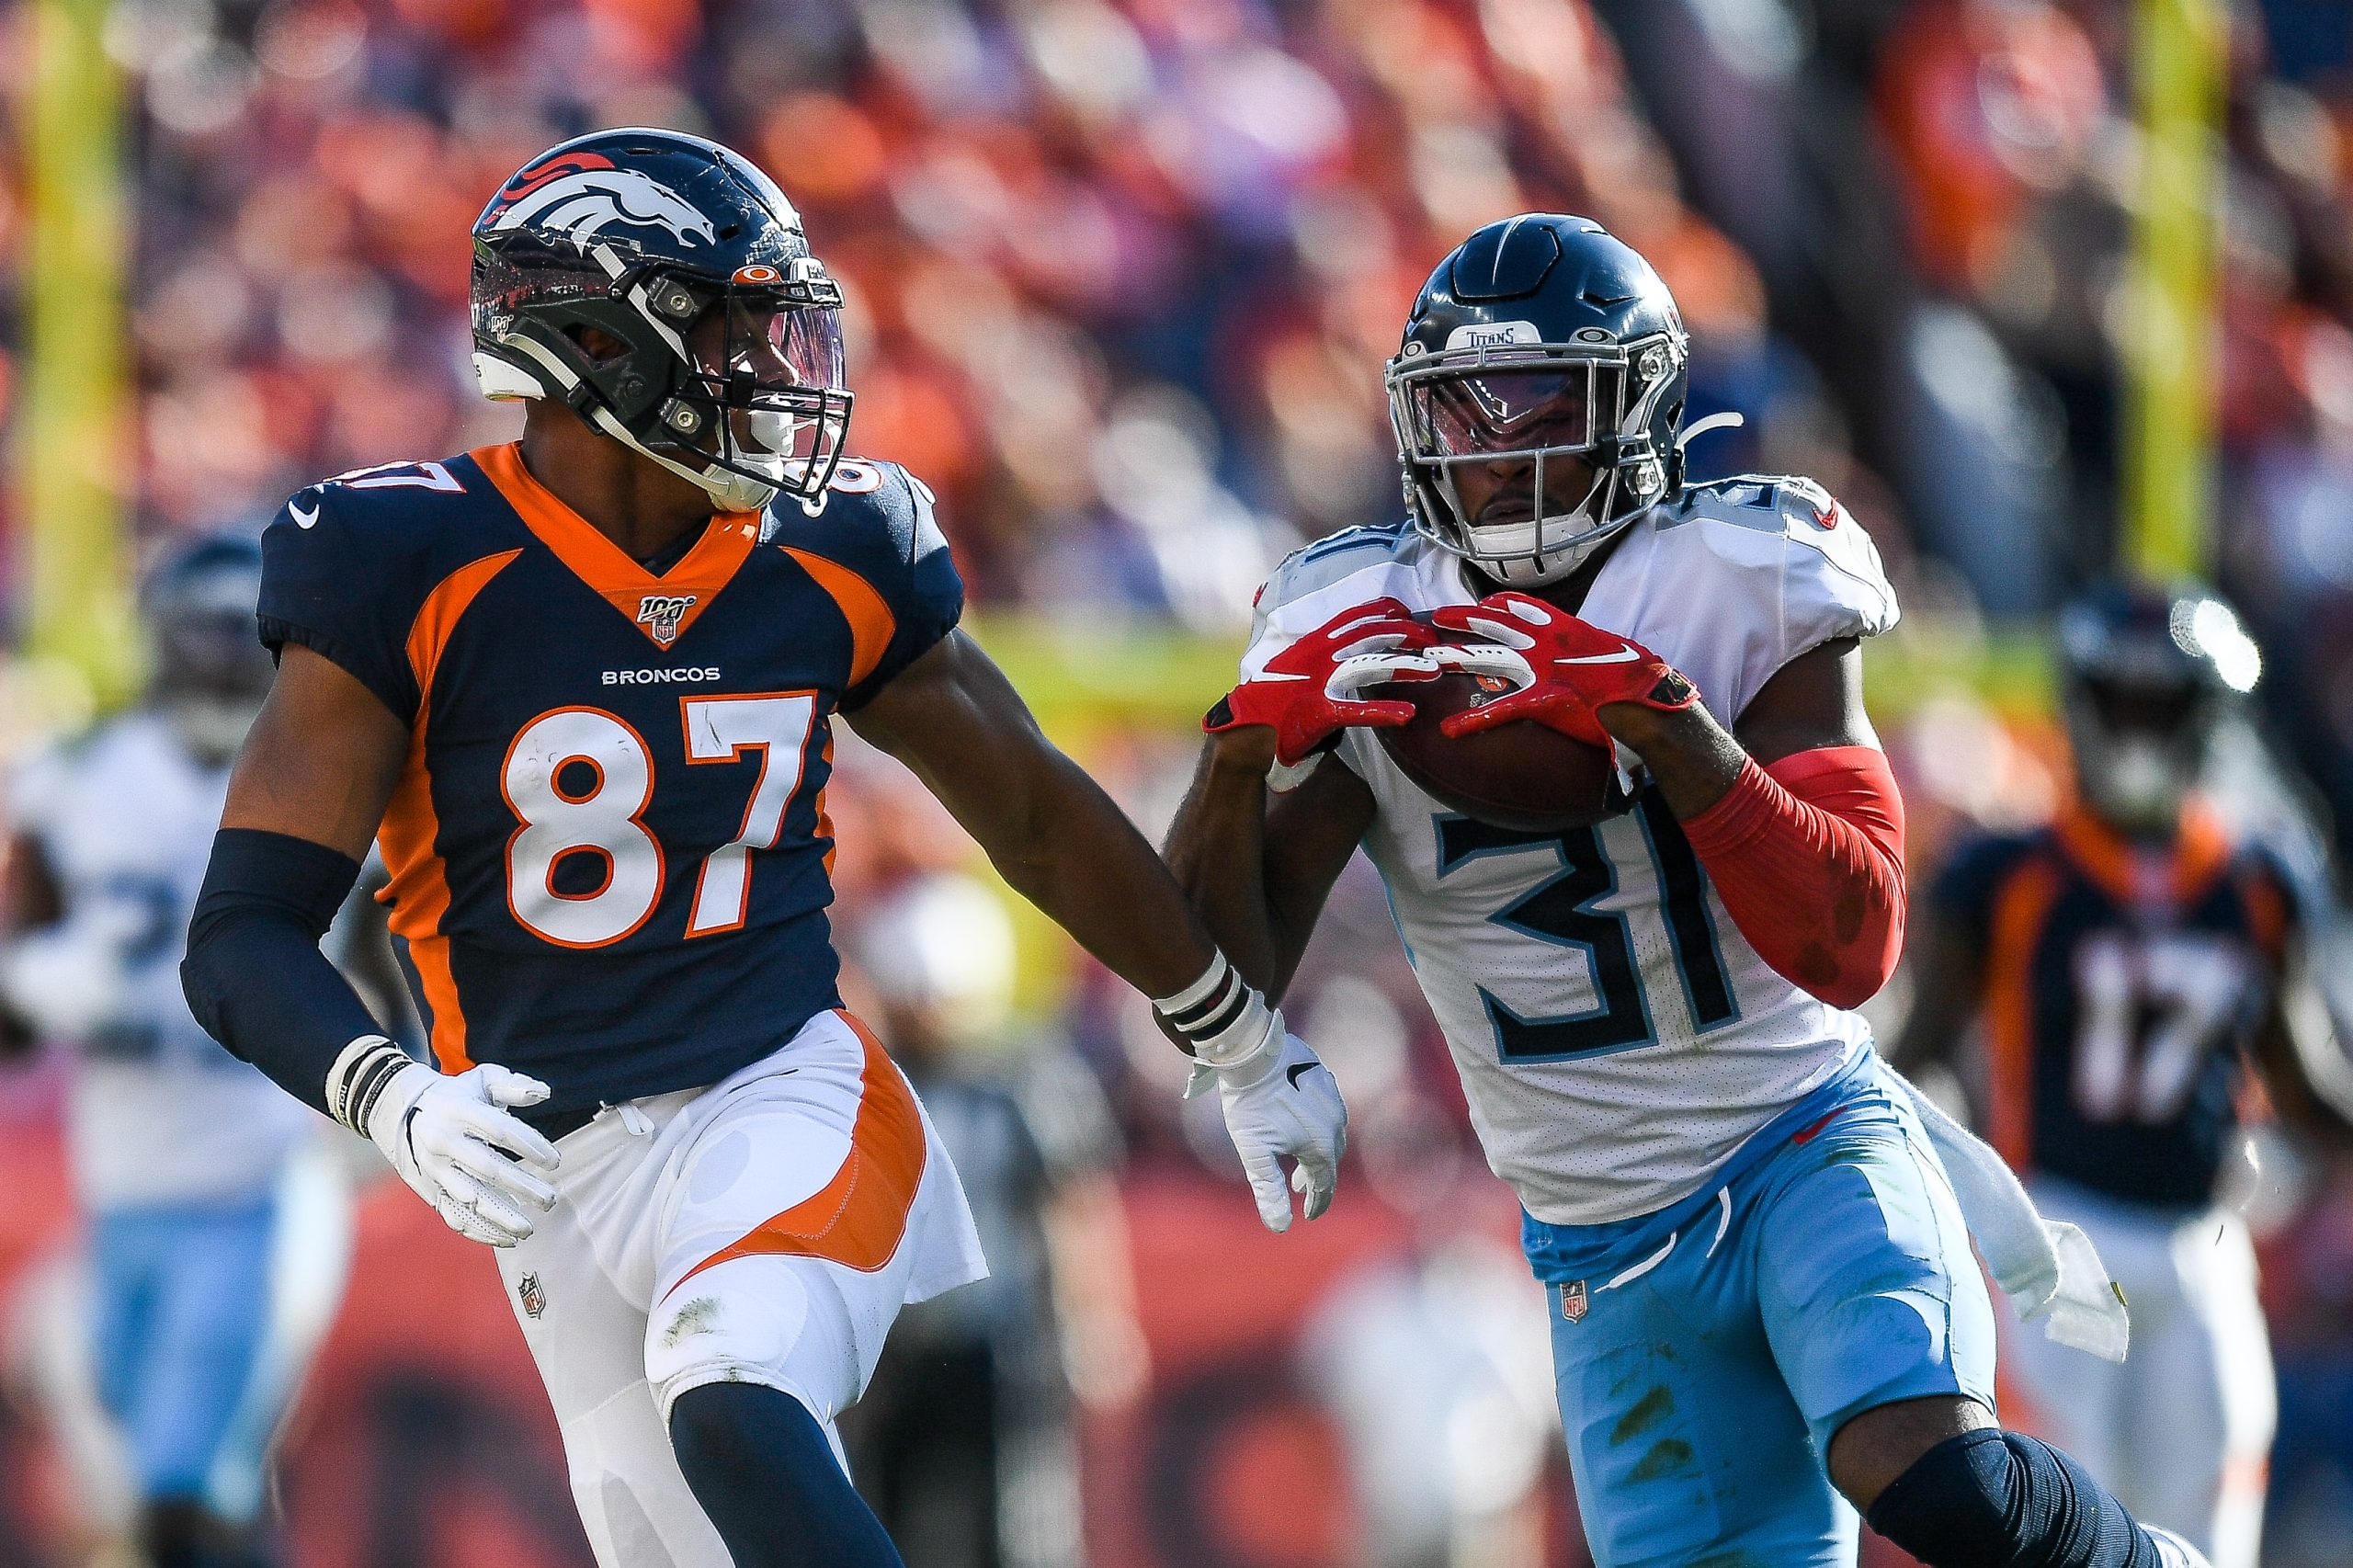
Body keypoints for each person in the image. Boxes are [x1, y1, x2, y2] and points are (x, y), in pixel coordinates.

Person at [176, 130, 1346, 1568]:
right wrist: (392, 1096)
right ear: (594, 343)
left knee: (731, 1394)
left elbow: (1032, 809)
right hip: (550, 1173)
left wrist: (1234, 1036)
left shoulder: (831, 545)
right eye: (731, 328)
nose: (773, 370)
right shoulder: (404, 560)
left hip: (784, 1092)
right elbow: (241, 931)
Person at [1163, 212, 2210, 1567]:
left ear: (1640, 410)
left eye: (1543, 404)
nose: (1499, 453)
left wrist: (1664, 721)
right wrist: (1236, 756)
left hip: (1800, 1137)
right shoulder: (1359, 621)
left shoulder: (1737, 576)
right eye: (1466, 412)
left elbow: (1853, 941)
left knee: (1927, 1474)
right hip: (1601, 1234)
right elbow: (1214, 967)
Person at [1895, 583, 2353, 1567]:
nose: (2141, 729)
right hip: (2055, 1240)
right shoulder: (2005, 874)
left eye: (2165, 705)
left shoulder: (2258, 881)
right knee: (2063, 1527)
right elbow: (1914, 1056)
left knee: (2212, 1532)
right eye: (2123, 702)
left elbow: (2299, 1080)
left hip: (2201, 1246)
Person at [0, 536, 362, 1568]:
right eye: (203, 634)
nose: (221, 661)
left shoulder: (333, 779)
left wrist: (383, 1111)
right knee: (160, 1488)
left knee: (181, 1492)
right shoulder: (78, 782)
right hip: (121, 1194)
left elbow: (403, 982)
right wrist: (41, 981)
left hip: (262, 1185)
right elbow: (14, 1021)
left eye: (239, 635)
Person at [838, 872, 1143, 1568]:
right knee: (888, 1524)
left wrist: (1095, 1319)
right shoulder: (872, 1083)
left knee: (1015, 1530)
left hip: (1002, 1345)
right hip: (894, 1354)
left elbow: (1073, 1204)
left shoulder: (1024, 1075)